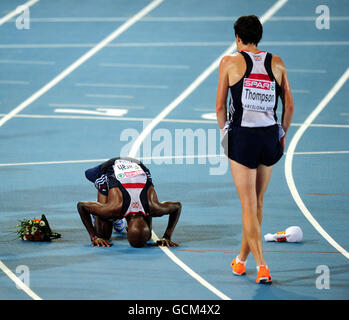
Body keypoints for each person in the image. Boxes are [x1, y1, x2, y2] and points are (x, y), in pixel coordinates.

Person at [216, 15, 294, 284]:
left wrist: (226, 134)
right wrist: (282, 134)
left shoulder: (229, 61)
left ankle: (262, 266)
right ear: (258, 37)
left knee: (248, 205)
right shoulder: (277, 62)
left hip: (243, 138)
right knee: (257, 203)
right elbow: (290, 107)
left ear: (238, 38)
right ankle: (241, 260)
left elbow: (219, 107)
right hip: (269, 136)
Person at [77, 157, 182, 248]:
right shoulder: (114, 208)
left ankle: (109, 216)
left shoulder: (154, 207)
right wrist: (94, 237)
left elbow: (177, 206)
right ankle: (101, 212)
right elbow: (81, 206)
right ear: (127, 229)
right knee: (103, 234)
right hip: (112, 166)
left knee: (146, 235)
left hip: (136, 165)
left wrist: (167, 236)